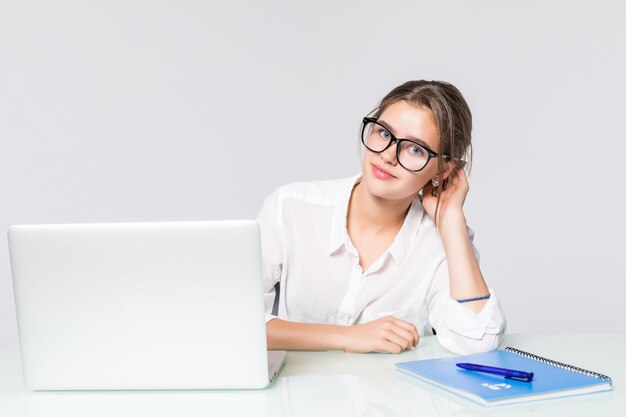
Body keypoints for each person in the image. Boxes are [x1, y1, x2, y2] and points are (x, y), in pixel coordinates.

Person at [257, 80, 506, 355]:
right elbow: (235, 322)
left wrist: (451, 220)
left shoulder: (441, 241)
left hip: (393, 397)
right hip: (298, 393)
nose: (388, 155)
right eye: (384, 133)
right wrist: (347, 337)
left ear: (444, 170)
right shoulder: (291, 208)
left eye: (415, 149)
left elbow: (477, 341)